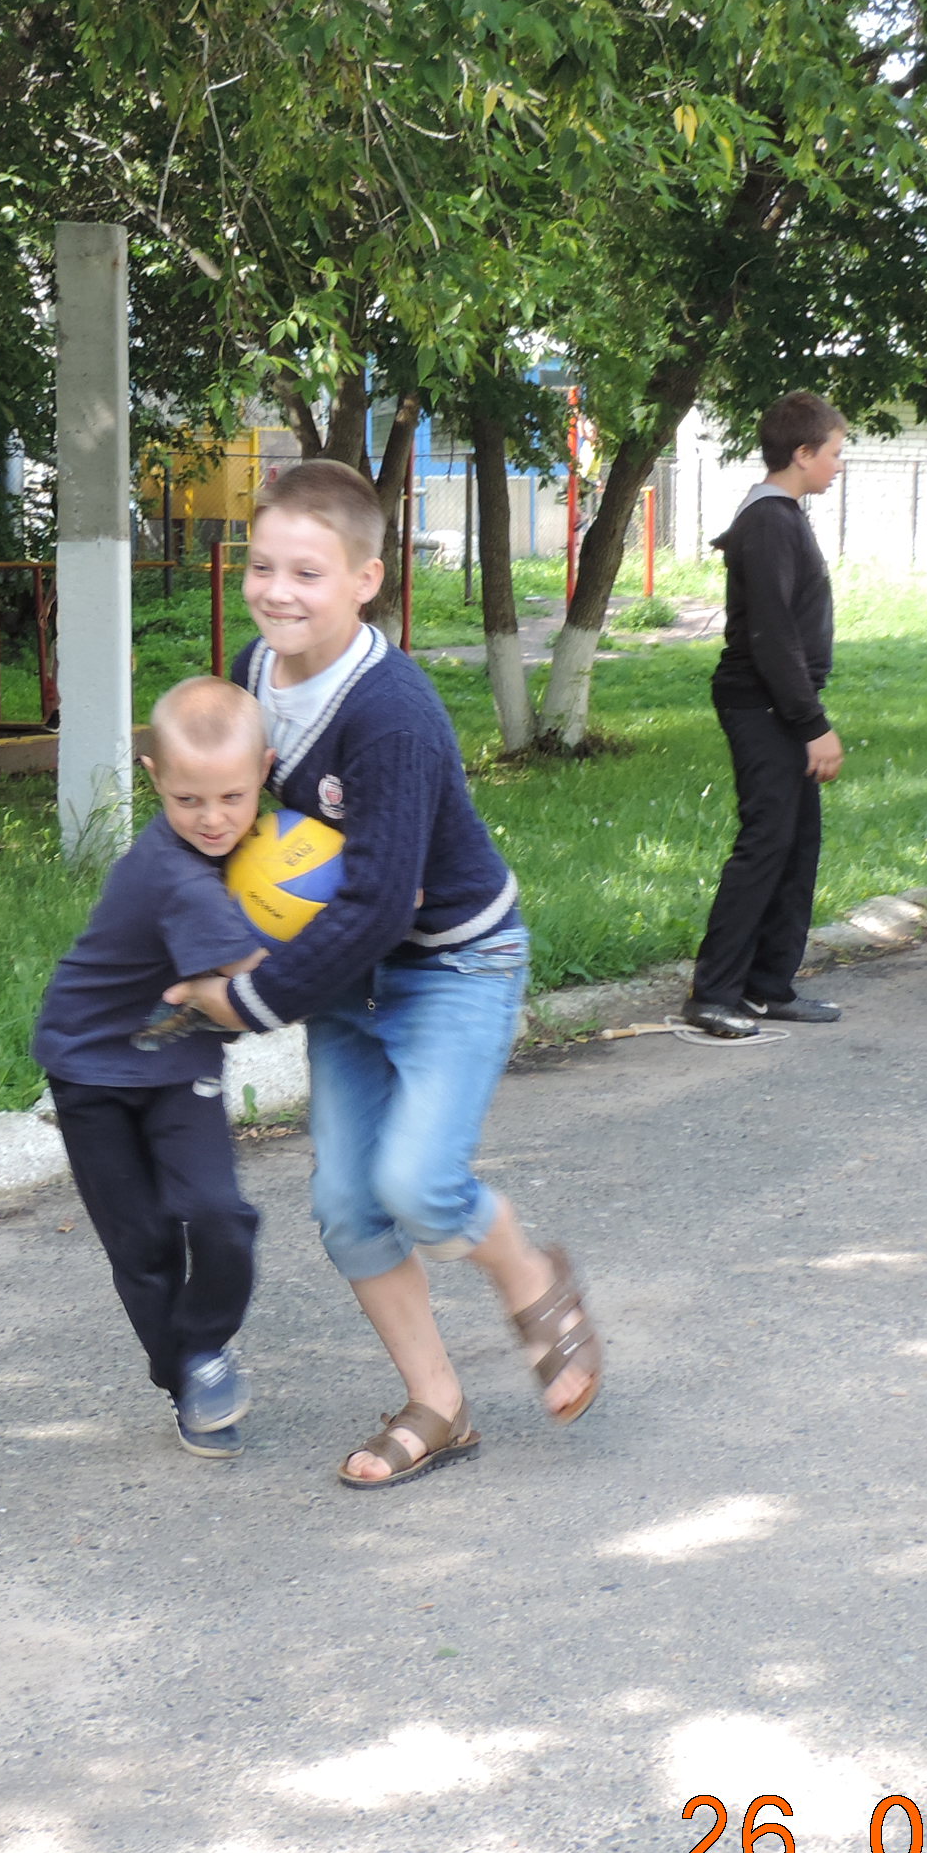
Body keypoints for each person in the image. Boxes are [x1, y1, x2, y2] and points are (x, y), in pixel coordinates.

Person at [172, 460, 597, 1490]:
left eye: (307, 573)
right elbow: (228, 818)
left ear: (366, 580)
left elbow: (376, 904)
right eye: (263, 566)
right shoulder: (254, 671)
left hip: (454, 965)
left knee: (419, 1185)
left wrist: (250, 1000)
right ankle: (438, 1406)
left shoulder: (390, 715)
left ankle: (529, 1272)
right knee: (348, 1206)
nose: (277, 592)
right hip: (345, 976)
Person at [31, 679, 273, 1456]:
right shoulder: (176, 876)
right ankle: (188, 1382)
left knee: (220, 1215)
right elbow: (265, 987)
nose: (213, 819)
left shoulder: (257, 850)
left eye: (232, 797)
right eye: (188, 800)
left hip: (178, 1067)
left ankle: (203, 1350)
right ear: (153, 778)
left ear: (264, 773)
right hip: (89, 1069)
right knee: (142, 1244)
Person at [688, 392, 850, 1035]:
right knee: (764, 845)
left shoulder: (781, 516)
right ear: (803, 453)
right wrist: (812, 724)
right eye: (834, 452)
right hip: (761, 703)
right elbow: (772, 635)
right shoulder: (770, 521)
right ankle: (713, 993)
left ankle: (766, 986)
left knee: (795, 844)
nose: (839, 464)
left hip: (779, 701)